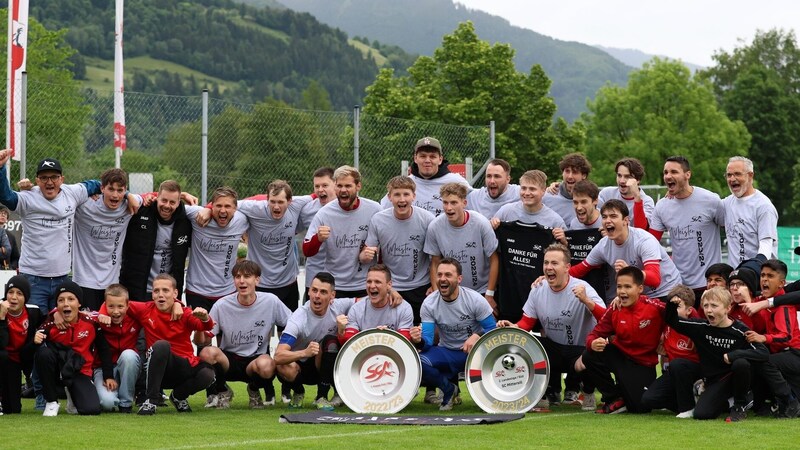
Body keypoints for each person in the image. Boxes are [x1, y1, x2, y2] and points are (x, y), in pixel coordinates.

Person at [497, 244, 605, 411]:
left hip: (580, 350)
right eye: (546, 263)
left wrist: (586, 301)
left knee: (594, 352)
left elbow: (605, 318)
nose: (548, 267)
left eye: (554, 263)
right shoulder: (538, 288)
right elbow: (526, 323)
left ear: (567, 267)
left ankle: (588, 391)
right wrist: (512, 327)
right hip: (554, 350)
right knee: (527, 342)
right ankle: (543, 394)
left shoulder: (583, 288)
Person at [0, 149, 101, 313]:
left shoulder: (73, 193)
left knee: (60, 327)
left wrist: (126, 195)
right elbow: (5, 196)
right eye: (44, 177)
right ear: (37, 181)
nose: (49, 182)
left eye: (54, 177)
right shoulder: (28, 198)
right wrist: (1, 168)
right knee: (35, 326)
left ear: (62, 179)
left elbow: (99, 184)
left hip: (62, 277)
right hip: (32, 278)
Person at [195, 260, 291, 409]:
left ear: (257, 280)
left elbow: (292, 326)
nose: (242, 281)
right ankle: (223, 390)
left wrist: (282, 348)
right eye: (237, 277)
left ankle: (253, 389)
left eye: (247, 276)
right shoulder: (222, 305)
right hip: (229, 360)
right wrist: (200, 325)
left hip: (256, 360)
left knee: (268, 365)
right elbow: (202, 341)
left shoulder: (271, 301)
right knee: (206, 352)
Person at [664, 286, 769, 421]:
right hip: (712, 380)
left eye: (714, 305)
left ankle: (740, 404)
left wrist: (733, 355)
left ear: (727, 308)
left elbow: (763, 352)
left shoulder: (740, 330)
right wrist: (671, 304)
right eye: (706, 306)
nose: (709, 310)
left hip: (733, 378)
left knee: (741, 363)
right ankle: (688, 407)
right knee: (678, 366)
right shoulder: (701, 327)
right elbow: (673, 321)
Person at [578, 267, 665, 414]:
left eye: (627, 287)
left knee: (640, 408)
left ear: (640, 288)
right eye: (619, 287)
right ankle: (613, 398)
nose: (622, 291)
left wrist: (666, 339)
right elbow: (594, 334)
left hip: (643, 364)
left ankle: (624, 396)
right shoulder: (614, 308)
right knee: (589, 354)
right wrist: (592, 343)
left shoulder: (654, 306)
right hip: (620, 357)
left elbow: (677, 316)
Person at [413, 258, 496, 411]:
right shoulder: (429, 303)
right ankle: (448, 389)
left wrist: (478, 335)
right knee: (417, 362)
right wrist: (418, 340)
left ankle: (493, 392)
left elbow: (494, 331)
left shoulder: (475, 299)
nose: (442, 279)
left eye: (448, 275)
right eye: (439, 275)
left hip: (476, 354)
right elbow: (428, 342)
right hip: (447, 352)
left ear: (459, 279)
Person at [134, 274, 216, 415]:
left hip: (182, 366)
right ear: (152, 294)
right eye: (156, 291)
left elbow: (205, 325)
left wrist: (205, 317)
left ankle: (178, 397)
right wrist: (104, 312)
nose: (161, 295)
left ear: (175, 293)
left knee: (208, 375)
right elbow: (120, 302)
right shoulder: (145, 309)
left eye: (165, 290)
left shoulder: (184, 313)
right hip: (156, 369)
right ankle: (151, 401)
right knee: (161, 346)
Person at [570, 199, 682, 301]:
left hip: (667, 291)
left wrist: (629, 271)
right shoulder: (603, 246)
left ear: (626, 220)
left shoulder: (644, 240)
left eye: (613, 216)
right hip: (638, 295)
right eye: (604, 217)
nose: (607, 221)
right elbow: (580, 269)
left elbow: (655, 279)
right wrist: (558, 274)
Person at [274, 272, 355, 410]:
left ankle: (321, 396)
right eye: (314, 290)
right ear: (309, 292)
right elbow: (278, 356)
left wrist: (391, 292)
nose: (317, 296)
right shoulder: (298, 318)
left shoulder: (339, 306)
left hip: (322, 366)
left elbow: (366, 301)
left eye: (323, 292)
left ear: (332, 296)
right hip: (299, 368)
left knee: (331, 341)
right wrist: (304, 353)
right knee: (283, 366)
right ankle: (298, 392)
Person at [649, 156, 724, 305]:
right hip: (679, 287)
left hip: (709, 285)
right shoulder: (662, 206)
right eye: (665, 172)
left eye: (674, 172)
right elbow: (650, 244)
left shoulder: (711, 200)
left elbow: (730, 228)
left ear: (687, 175)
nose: (668, 176)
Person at [360, 176, 434, 323]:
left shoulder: (427, 219)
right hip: (391, 287)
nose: (402, 199)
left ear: (414, 196)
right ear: (389, 197)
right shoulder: (379, 220)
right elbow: (365, 256)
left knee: (419, 334)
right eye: (397, 194)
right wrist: (365, 255)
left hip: (421, 286)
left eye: (406, 194)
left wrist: (434, 285)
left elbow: (436, 257)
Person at [34, 281, 114, 416]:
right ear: (56, 305)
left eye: (71, 299)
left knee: (91, 410)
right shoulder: (50, 322)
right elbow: (32, 349)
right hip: (57, 374)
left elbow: (104, 349)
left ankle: (73, 396)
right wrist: (35, 340)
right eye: (61, 300)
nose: (66, 303)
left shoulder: (91, 322)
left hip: (80, 371)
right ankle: (51, 402)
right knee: (43, 353)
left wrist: (108, 376)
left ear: (79, 303)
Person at [303, 166, 382, 298]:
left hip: (366, 285)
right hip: (335, 286)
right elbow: (307, 251)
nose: (343, 190)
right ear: (334, 187)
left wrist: (375, 250)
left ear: (358, 186)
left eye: (348, 186)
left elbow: (386, 242)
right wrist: (318, 238)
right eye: (339, 186)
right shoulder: (324, 213)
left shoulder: (374, 209)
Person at [73, 169, 142, 311]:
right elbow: (64, 193)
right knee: (88, 328)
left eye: (120, 190)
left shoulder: (129, 206)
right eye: (110, 189)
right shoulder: (84, 205)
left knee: (109, 329)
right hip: (84, 280)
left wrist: (130, 196)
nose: (115, 195)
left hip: (112, 283)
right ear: (102, 188)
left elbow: (155, 197)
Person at [424, 183, 499, 314]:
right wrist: (437, 293)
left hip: (480, 291)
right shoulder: (435, 227)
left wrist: (489, 294)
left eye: (454, 203)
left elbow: (494, 259)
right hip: (452, 293)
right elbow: (435, 263)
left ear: (464, 203)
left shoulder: (481, 223)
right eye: (445, 203)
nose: (449, 208)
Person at [119, 180, 193, 302]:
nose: (167, 206)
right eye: (164, 200)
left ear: (179, 202)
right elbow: (116, 195)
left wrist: (209, 208)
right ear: (156, 197)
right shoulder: (139, 211)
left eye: (172, 202)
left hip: (166, 294)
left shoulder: (186, 219)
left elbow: (212, 210)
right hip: (136, 291)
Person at [744, 259, 800, 417]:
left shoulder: (783, 306)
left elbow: (786, 337)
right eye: (762, 275)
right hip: (785, 356)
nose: (764, 280)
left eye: (770, 276)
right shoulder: (766, 301)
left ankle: (790, 401)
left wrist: (763, 338)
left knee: (765, 361)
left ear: (781, 283)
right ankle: (770, 403)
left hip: (794, 354)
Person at [184, 186, 249, 311]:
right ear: (211, 206)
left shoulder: (242, 220)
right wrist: (183, 195)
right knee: (200, 330)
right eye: (218, 206)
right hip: (197, 291)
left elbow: (265, 202)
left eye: (228, 206)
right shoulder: (197, 215)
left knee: (224, 330)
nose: (223, 210)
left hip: (227, 292)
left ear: (236, 208)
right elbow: (167, 203)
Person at [640, 285, 701, 417]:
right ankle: (695, 403)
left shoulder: (696, 325)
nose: (672, 310)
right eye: (671, 307)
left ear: (689, 310)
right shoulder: (668, 320)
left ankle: (687, 408)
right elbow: (648, 301)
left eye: (677, 307)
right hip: (674, 372)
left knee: (678, 364)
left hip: (695, 372)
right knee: (648, 399)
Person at [380, 136, 471, 215]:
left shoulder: (456, 182)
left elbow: (475, 207)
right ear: (415, 158)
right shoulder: (406, 184)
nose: (427, 160)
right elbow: (383, 210)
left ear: (440, 159)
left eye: (432, 156)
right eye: (423, 156)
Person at [93, 284, 142, 413]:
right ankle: (109, 394)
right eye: (111, 306)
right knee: (107, 404)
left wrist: (176, 303)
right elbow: (78, 314)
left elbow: (156, 307)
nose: (116, 311)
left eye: (120, 306)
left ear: (128, 305)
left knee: (129, 355)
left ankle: (126, 403)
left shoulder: (136, 318)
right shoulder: (97, 319)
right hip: (103, 368)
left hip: (127, 366)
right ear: (105, 305)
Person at [723, 156, 778, 267]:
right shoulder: (726, 203)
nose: (732, 179)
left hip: (758, 275)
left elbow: (766, 244)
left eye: (737, 174)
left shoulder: (763, 206)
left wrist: (753, 269)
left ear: (750, 175)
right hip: (735, 277)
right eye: (729, 175)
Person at [0, 275, 43, 414]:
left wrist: (57, 315)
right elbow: (2, 343)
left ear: (26, 298)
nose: (13, 297)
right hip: (2, 357)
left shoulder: (33, 312)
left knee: (13, 410)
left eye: (19, 293)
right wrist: (1, 318)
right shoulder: (0, 309)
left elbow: (48, 322)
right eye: (10, 292)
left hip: (17, 361)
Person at [338, 264, 414, 342]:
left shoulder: (403, 308)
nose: (372, 286)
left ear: (389, 285)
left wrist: (389, 335)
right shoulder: (356, 309)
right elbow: (350, 343)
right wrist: (376, 336)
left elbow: (405, 343)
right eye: (369, 281)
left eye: (377, 282)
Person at [300, 167, 337, 302]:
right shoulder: (307, 209)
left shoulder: (345, 207)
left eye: (325, 185)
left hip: (340, 278)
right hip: (314, 276)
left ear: (335, 184)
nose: (320, 189)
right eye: (317, 186)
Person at [492, 170, 567, 230]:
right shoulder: (506, 211)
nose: (527, 193)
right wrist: (492, 224)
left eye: (532, 189)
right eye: (523, 188)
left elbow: (565, 245)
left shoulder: (555, 221)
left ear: (543, 191)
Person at [597, 158, 654, 230]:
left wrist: (637, 198)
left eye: (627, 177)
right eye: (619, 175)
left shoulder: (647, 201)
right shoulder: (606, 194)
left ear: (638, 180)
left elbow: (641, 230)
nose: (622, 181)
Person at [542, 153, 591, 224]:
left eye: (575, 172)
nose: (570, 176)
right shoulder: (549, 196)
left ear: (584, 175)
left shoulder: (593, 199)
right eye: (567, 171)